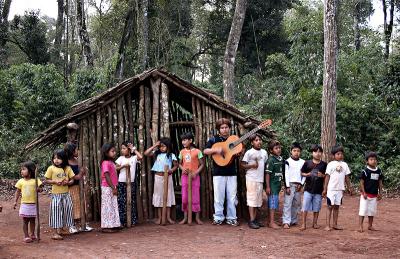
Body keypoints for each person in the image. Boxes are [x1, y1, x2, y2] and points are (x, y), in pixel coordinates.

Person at [204, 118, 239, 226]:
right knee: (218, 197)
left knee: (232, 197)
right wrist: (216, 150)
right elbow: (205, 151)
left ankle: (231, 218)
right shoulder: (214, 140)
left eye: (226, 127)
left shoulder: (234, 140)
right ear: (218, 129)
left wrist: (237, 153)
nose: (224, 129)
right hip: (218, 172)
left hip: (232, 172)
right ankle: (218, 217)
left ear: (229, 128)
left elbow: (239, 151)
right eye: (222, 128)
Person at [144, 137, 178, 225]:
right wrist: (155, 145)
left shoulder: (171, 155)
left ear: (168, 146)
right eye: (160, 146)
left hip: (168, 178)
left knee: (168, 196)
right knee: (159, 197)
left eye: (163, 146)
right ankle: (160, 217)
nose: (161, 148)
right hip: (158, 178)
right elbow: (146, 153)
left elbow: (176, 165)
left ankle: (168, 217)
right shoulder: (157, 153)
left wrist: (172, 170)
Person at [44, 149, 76, 240]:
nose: (56, 160)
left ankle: (61, 229)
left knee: (66, 211)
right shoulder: (51, 168)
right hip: (56, 195)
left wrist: (68, 182)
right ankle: (55, 233)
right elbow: (46, 180)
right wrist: (54, 181)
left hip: (66, 194)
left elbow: (72, 179)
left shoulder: (67, 168)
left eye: (58, 158)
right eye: (54, 158)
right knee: (56, 212)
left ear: (64, 159)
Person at [322, 146, 354, 231]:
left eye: (341, 154)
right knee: (329, 206)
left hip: (340, 189)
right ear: (333, 156)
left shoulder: (345, 165)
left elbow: (346, 177)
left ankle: (335, 224)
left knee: (337, 207)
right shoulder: (330, 164)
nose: (340, 155)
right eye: (338, 154)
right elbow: (327, 177)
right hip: (331, 189)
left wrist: (349, 187)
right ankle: (327, 225)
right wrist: (325, 189)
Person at [64, 143, 92, 233]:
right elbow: (72, 176)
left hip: (79, 186)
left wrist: (83, 172)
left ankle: (81, 224)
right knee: (72, 206)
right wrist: (80, 174)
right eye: (76, 150)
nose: (78, 151)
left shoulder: (77, 160)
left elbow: (82, 172)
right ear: (72, 152)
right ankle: (71, 225)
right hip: (71, 187)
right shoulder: (67, 163)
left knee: (80, 205)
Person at [241, 133, 267, 229]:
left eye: (260, 140)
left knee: (257, 200)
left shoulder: (264, 152)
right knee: (252, 199)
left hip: (260, 179)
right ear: (252, 143)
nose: (259, 142)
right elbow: (243, 165)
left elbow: (265, 165)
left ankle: (255, 219)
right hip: (251, 179)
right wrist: (252, 166)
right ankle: (251, 220)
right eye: (256, 140)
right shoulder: (249, 152)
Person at [178, 132, 205, 225]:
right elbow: (179, 163)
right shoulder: (182, 152)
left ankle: (197, 218)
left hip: (195, 177)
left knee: (195, 197)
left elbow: (202, 164)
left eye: (185, 140)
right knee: (185, 197)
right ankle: (185, 218)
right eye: (182, 140)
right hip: (185, 177)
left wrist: (196, 173)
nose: (183, 142)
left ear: (190, 140)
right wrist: (183, 169)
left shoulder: (198, 151)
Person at [299, 144, 327, 231]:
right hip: (308, 189)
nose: (318, 153)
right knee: (305, 207)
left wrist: (322, 175)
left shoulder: (324, 164)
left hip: (318, 190)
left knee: (317, 207)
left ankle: (315, 223)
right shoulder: (307, 163)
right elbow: (301, 172)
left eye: (319, 152)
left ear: (322, 153)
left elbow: (327, 176)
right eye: (315, 151)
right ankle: (303, 224)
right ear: (312, 153)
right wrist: (307, 174)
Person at [14, 161, 43, 243]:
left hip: (33, 204)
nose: (21, 171)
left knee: (33, 220)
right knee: (25, 220)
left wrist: (39, 189)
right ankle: (26, 236)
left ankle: (32, 234)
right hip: (24, 204)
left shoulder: (36, 180)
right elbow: (18, 191)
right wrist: (15, 201)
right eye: (21, 170)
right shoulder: (21, 181)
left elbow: (41, 189)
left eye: (23, 169)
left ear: (30, 171)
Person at [115, 141, 143, 227]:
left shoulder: (134, 158)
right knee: (121, 202)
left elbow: (141, 157)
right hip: (122, 183)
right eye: (121, 148)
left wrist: (133, 149)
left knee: (131, 201)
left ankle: (132, 220)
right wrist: (123, 166)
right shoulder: (120, 158)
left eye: (124, 148)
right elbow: (116, 168)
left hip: (131, 182)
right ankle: (122, 221)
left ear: (129, 149)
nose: (122, 150)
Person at [358, 151, 383, 232]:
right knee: (363, 210)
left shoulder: (379, 171)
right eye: (371, 159)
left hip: (374, 195)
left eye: (375, 159)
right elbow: (361, 182)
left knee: (372, 211)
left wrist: (380, 193)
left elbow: (380, 182)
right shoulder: (365, 171)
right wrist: (364, 192)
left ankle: (370, 225)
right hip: (365, 195)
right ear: (367, 161)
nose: (373, 161)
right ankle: (360, 226)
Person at [282, 142, 304, 229]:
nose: (296, 152)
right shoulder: (287, 161)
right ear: (291, 151)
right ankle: (286, 221)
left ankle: (293, 220)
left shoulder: (303, 162)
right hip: (290, 185)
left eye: (298, 151)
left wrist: (301, 184)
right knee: (288, 203)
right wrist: (287, 186)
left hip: (298, 185)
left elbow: (304, 174)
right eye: (294, 150)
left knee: (296, 203)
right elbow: (286, 174)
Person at [100, 143, 121, 232]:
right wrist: (113, 188)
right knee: (107, 206)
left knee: (112, 205)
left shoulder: (111, 162)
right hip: (107, 187)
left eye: (114, 151)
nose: (114, 153)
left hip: (112, 186)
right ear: (106, 153)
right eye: (112, 151)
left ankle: (113, 224)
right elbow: (106, 175)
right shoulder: (105, 163)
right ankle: (106, 226)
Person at [265, 140, 284, 229]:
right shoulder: (271, 160)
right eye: (276, 148)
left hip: (277, 186)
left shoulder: (279, 159)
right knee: (272, 204)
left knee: (273, 203)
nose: (278, 150)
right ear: (271, 150)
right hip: (272, 186)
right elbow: (267, 174)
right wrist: (268, 187)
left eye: (279, 148)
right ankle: (271, 222)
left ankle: (270, 221)